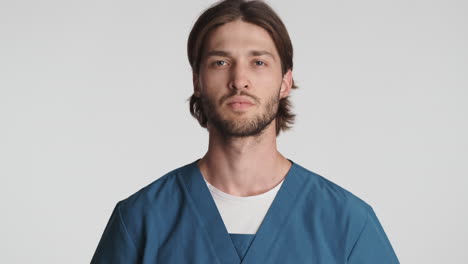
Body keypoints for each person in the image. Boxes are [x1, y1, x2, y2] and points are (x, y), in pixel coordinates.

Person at [91, 0, 400, 263]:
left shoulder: (346, 223)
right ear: (197, 81)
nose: (240, 80)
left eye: (259, 62)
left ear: (285, 82)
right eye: (221, 62)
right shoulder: (141, 221)